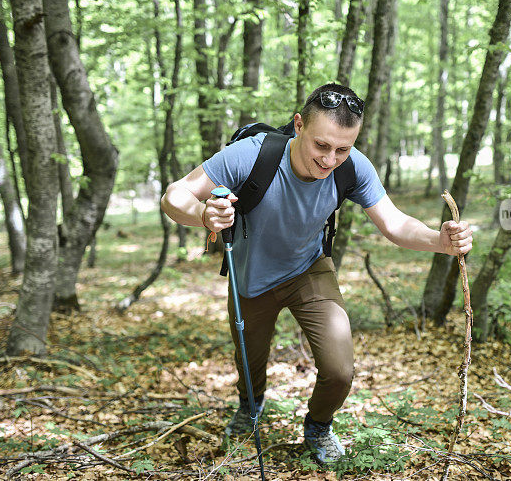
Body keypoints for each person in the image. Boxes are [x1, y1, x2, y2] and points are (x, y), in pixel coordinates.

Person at [161, 83, 473, 464]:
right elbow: (174, 196)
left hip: (308, 269)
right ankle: (250, 406)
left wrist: (438, 241)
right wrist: (202, 215)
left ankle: (319, 427)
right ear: (298, 126)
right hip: (251, 275)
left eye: (343, 149)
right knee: (249, 362)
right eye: (322, 146)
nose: (330, 160)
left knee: (340, 370)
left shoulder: (354, 167)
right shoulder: (251, 154)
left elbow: (394, 223)